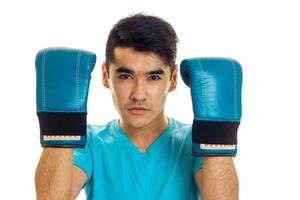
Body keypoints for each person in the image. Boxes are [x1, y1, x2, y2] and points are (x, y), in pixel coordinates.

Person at [35, 13, 239, 200]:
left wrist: (217, 134)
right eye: (125, 76)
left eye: (153, 77)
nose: (138, 95)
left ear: (173, 79)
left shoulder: (193, 142)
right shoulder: (88, 143)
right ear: (106, 76)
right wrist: (60, 127)